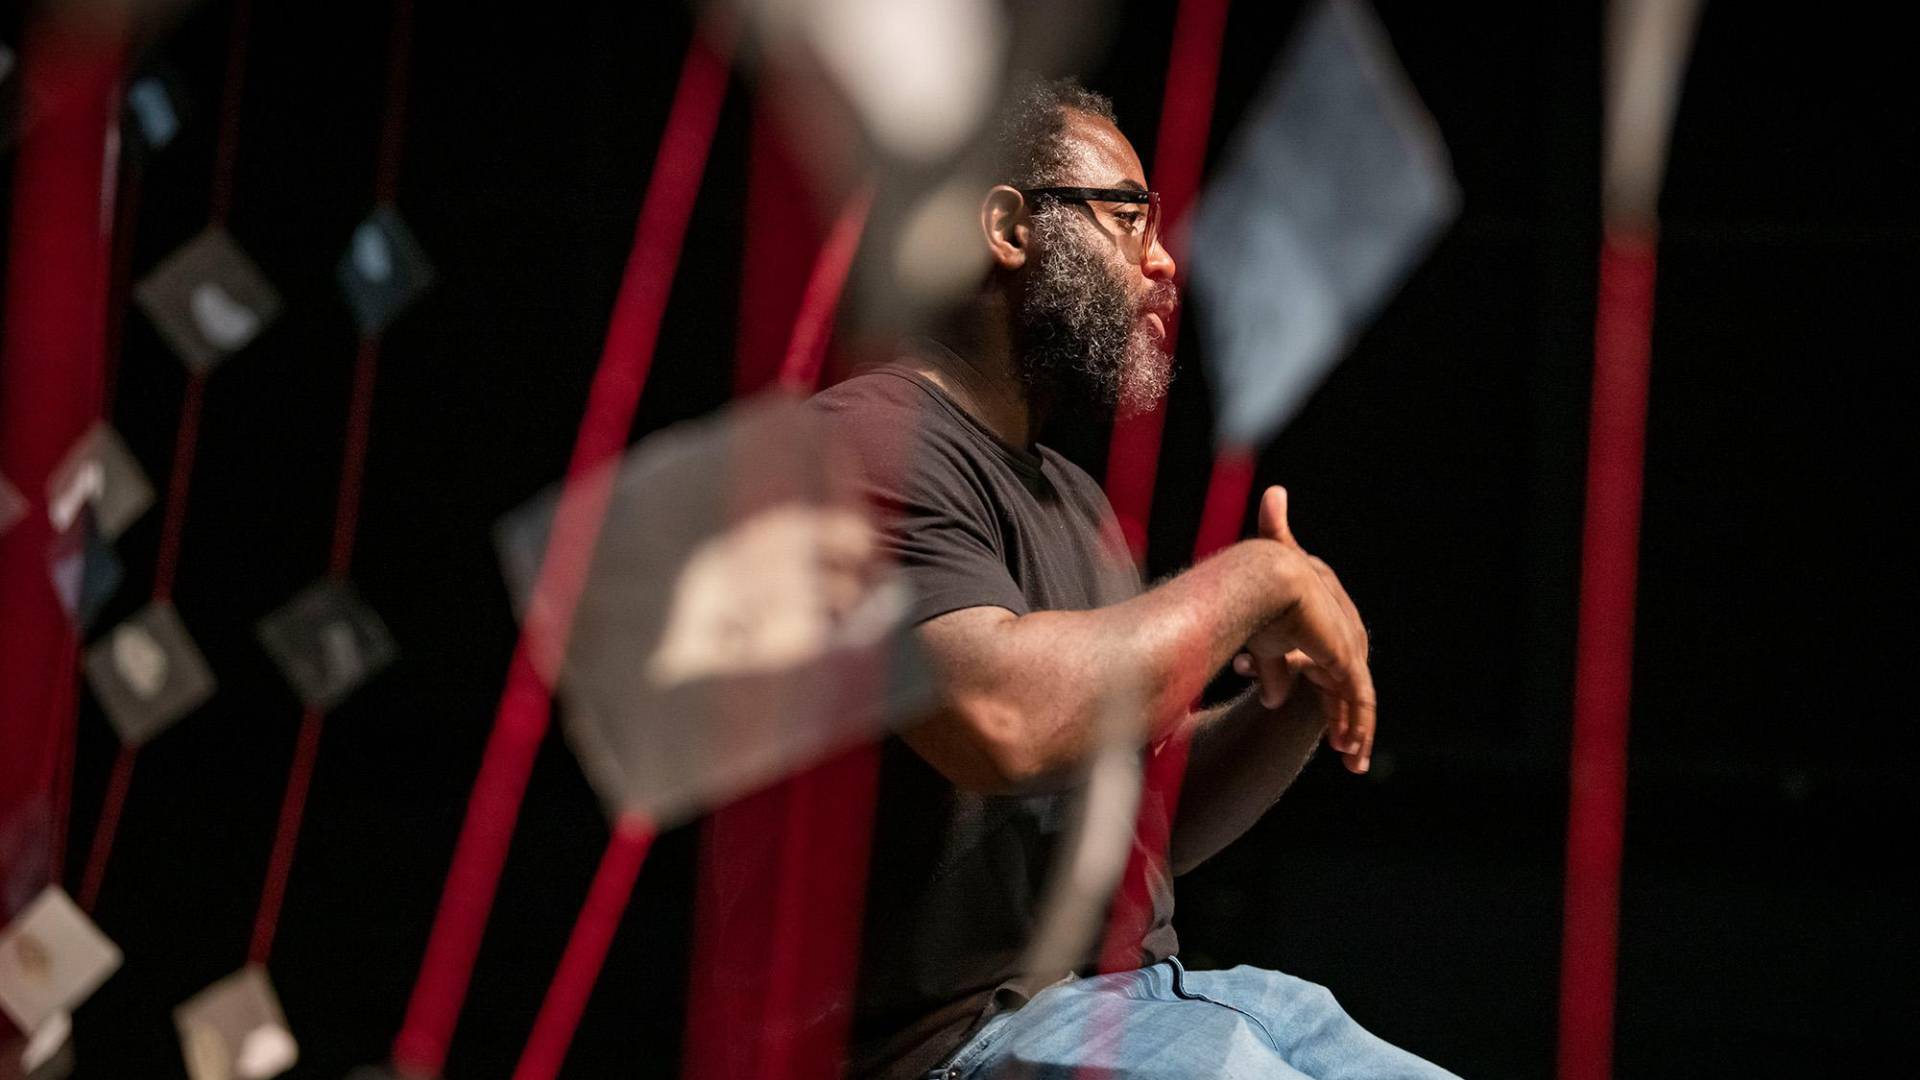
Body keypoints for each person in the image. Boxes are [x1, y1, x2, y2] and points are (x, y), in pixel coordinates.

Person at [815, 78, 1457, 1080]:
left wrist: (1294, 697)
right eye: (1128, 216)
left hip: (1165, 997)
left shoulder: (1072, 497)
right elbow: (1001, 718)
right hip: (972, 1036)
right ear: (1009, 228)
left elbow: (1138, 824)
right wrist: (1254, 581)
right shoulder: (864, 446)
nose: (1161, 261)